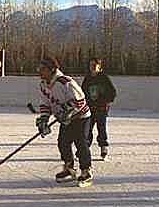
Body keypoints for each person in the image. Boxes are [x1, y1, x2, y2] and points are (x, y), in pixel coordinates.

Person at [36, 56, 93, 187]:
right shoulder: (43, 84)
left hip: (81, 117)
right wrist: (44, 119)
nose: (40, 71)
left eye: (43, 69)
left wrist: (65, 110)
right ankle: (69, 168)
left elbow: (80, 101)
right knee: (63, 142)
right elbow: (45, 104)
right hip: (66, 119)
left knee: (81, 142)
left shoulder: (65, 82)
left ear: (51, 69)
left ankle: (86, 171)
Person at [81, 58, 117, 160]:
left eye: (94, 65)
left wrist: (106, 102)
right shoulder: (87, 79)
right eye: (90, 65)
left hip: (101, 109)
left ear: (99, 67)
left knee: (101, 129)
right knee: (87, 130)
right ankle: (84, 150)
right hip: (89, 109)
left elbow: (112, 92)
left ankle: (104, 148)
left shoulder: (104, 78)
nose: (92, 67)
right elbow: (82, 93)